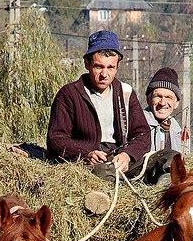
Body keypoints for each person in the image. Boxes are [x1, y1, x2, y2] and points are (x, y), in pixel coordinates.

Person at [46, 30, 150, 180]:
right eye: (98, 67)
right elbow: (56, 139)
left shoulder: (126, 92)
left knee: (169, 159)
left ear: (117, 66)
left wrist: (128, 155)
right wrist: (86, 154)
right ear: (87, 64)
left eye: (110, 67)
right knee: (103, 173)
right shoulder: (69, 95)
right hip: (92, 163)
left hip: (120, 158)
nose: (104, 74)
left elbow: (143, 134)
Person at [140, 67, 182, 183]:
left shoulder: (176, 130)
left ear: (176, 103)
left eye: (168, 97)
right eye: (158, 96)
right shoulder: (138, 123)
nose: (162, 103)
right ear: (148, 99)